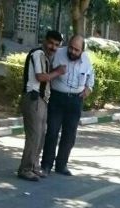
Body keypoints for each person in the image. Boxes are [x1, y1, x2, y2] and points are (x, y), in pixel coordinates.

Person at [41, 35, 95, 176]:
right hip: (57, 98)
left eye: (76, 50)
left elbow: (91, 76)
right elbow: (45, 71)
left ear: (82, 51)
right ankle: (46, 165)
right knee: (52, 132)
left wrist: (89, 89)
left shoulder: (86, 60)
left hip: (75, 101)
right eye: (71, 47)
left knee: (69, 135)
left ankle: (61, 164)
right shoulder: (58, 54)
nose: (72, 52)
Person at [17, 31, 66, 181]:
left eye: (57, 45)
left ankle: (33, 167)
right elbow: (40, 77)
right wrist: (57, 72)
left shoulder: (45, 56)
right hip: (34, 98)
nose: (53, 47)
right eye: (51, 43)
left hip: (41, 99)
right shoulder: (37, 53)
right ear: (44, 41)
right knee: (34, 135)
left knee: (40, 135)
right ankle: (25, 169)